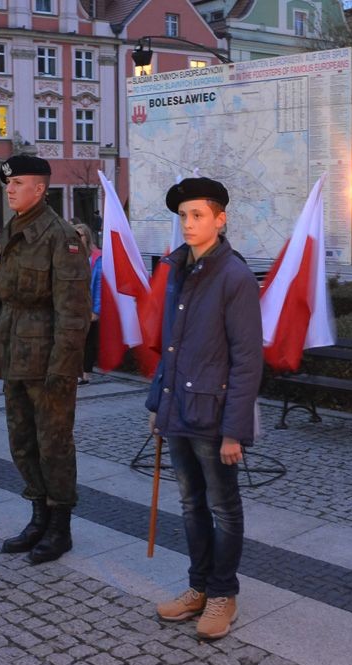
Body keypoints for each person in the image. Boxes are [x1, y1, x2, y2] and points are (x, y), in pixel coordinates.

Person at [0, 155, 90, 564]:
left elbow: (73, 313)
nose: (10, 189)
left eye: (17, 183)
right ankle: (38, 516)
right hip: (13, 349)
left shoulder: (61, 237)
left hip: (48, 357)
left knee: (53, 444)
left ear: (40, 189)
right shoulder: (12, 230)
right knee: (22, 441)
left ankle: (60, 526)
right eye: (8, 184)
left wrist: (62, 367)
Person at [148, 177, 263, 641]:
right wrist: (158, 404)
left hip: (214, 417)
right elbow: (170, 347)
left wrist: (235, 430)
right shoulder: (178, 269)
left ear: (221, 218)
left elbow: (247, 358)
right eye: (183, 216)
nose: (189, 224)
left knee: (223, 507)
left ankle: (222, 593)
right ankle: (197, 587)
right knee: (191, 503)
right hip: (179, 409)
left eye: (198, 215)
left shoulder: (234, 276)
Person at [74, 222, 101, 385]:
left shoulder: (96, 257)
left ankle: (85, 372)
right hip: (73, 305)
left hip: (89, 305)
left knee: (88, 340)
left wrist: (96, 310)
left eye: (80, 235)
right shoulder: (70, 255)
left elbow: (99, 284)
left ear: (87, 237)